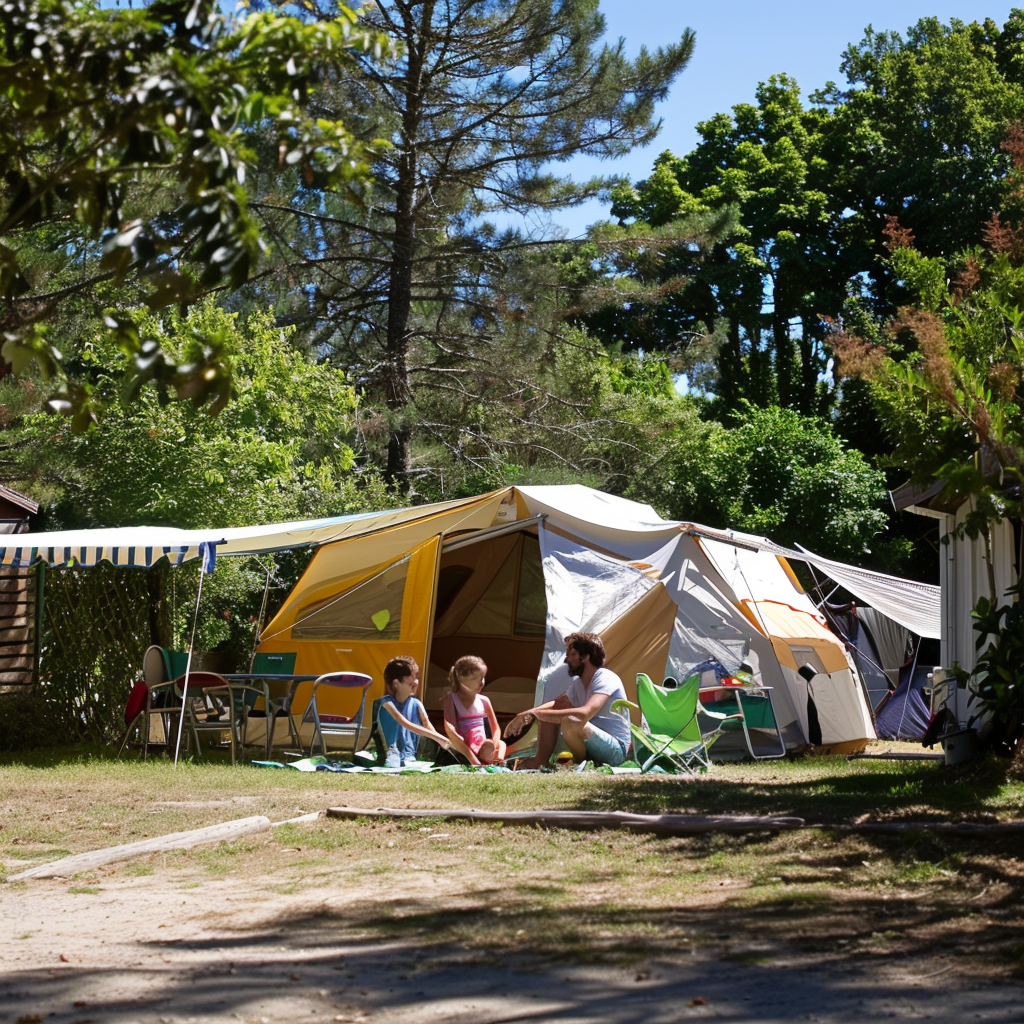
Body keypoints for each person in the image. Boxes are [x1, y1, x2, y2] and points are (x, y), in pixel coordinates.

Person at [506, 632, 630, 768]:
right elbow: (556, 705)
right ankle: (539, 761)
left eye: (572, 655)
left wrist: (536, 714)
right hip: (590, 743)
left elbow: (584, 713)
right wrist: (526, 715)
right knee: (549, 714)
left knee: (571, 720)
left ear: (586, 657)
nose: (567, 660)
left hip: (616, 751)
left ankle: (578, 764)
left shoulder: (605, 677)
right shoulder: (578, 683)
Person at [379, 656, 451, 767]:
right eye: (411, 682)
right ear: (396, 684)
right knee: (393, 762)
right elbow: (404, 722)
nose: (416, 682)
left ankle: (405, 756)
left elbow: (428, 726)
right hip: (390, 754)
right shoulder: (386, 702)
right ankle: (392, 753)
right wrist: (441, 739)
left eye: (416, 677)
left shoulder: (416, 703)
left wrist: (441, 746)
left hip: (409, 756)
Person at [443, 656, 506, 765]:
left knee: (502, 744)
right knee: (455, 745)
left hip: (483, 746)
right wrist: (471, 757)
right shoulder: (451, 700)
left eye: (483, 678)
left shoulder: (484, 701)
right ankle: (477, 761)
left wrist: (492, 745)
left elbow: (496, 729)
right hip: (464, 746)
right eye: (475, 679)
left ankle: (496, 761)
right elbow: (452, 731)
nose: (481, 683)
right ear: (460, 679)